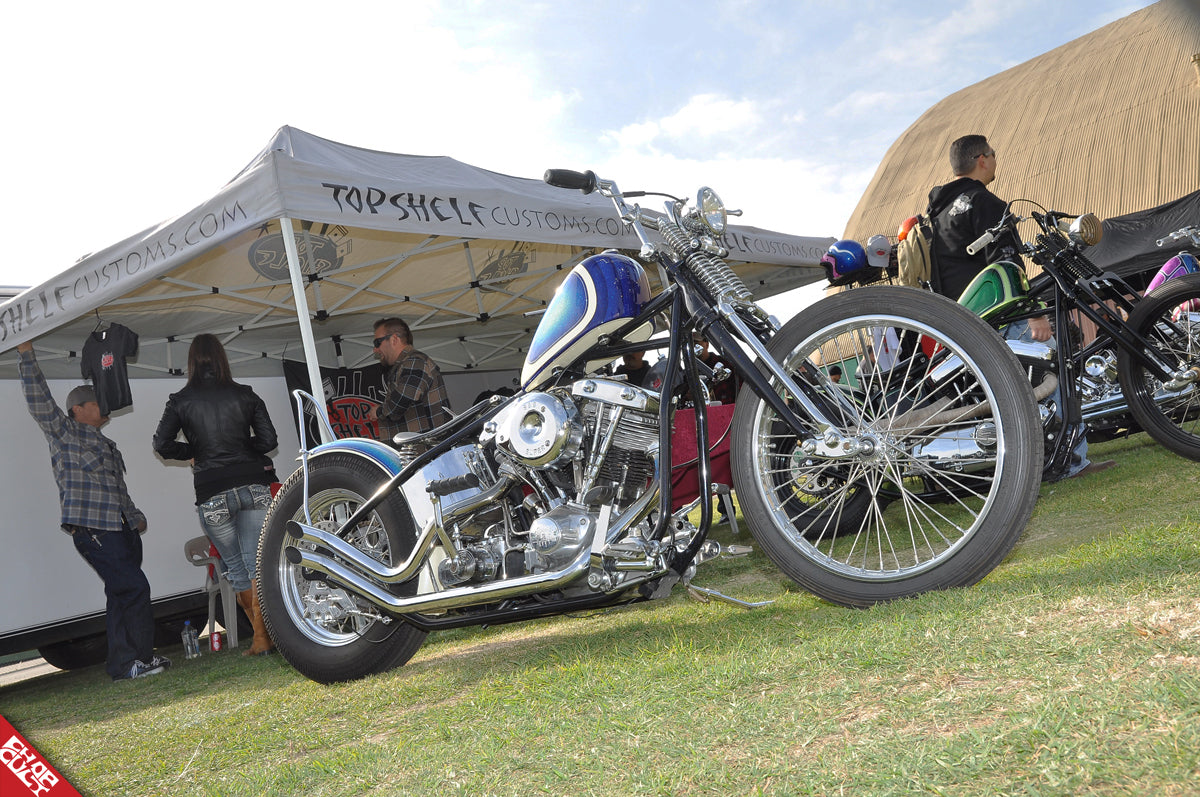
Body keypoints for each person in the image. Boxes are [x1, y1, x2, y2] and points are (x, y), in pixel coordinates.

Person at [929, 135, 1113, 479]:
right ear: (982, 159)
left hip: (961, 321)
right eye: (994, 155)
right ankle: (1071, 462)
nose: (996, 161)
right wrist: (1035, 313)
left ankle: (1032, 460)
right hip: (1003, 314)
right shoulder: (985, 202)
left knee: (1007, 391)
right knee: (1054, 368)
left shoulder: (937, 213)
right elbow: (1007, 263)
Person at [16, 341, 170, 681]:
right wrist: (27, 355)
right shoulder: (64, 433)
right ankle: (137, 659)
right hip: (95, 531)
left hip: (121, 531)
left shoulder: (107, 445)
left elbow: (117, 489)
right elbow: (39, 400)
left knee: (120, 594)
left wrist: (134, 515)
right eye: (98, 401)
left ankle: (126, 664)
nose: (106, 406)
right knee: (134, 589)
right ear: (78, 409)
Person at [152, 334, 279, 656]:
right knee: (256, 565)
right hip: (252, 484)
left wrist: (197, 451)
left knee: (236, 569)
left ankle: (262, 639)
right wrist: (238, 447)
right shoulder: (245, 395)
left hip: (212, 491)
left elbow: (161, 445)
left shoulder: (180, 400)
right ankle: (268, 637)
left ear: (192, 361)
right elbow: (268, 440)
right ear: (223, 358)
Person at [367, 316, 453, 442]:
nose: (375, 349)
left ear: (394, 339)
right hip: (421, 453)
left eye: (377, 343)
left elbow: (401, 401)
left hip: (428, 452)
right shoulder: (406, 364)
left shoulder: (415, 361)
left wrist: (378, 412)